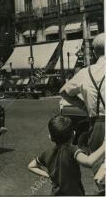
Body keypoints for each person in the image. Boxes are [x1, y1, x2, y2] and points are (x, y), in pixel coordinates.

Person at [60, 33, 105, 194]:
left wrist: (85, 107)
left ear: (94, 52)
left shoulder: (86, 73)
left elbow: (64, 91)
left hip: (98, 125)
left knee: (101, 177)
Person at [28, 115, 105, 196]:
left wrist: (48, 175)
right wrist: (104, 146)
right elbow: (89, 161)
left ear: (50, 137)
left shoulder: (47, 153)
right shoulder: (72, 150)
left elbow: (31, 166)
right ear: (73, 134)